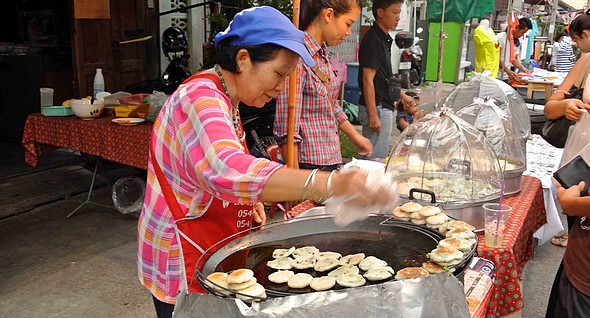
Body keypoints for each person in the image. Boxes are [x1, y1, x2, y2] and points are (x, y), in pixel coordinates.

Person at [137, 7, 397, 318]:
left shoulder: (227, 96)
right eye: (278, 74)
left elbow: (201, 167)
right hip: (178, 258)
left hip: (207, 245)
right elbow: (227, 167)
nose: (280, 87)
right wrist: (331, 182)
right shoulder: (200, 97)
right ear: (243, 59)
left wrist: (248, 201)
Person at [274, 0, 372, 172]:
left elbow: (331, 104)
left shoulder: (322, 55)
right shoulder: (297, 57)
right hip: (309, 165)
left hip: (329, 157)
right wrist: (295, 180)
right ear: (328, 15)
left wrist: (356, 137)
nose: (348, 32)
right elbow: (287, 127)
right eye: (348, 24)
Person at [545, 14, 590, 317]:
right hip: (581, 162)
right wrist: (565, 105)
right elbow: (550, 107)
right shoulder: (587, 60)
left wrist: (579, 207)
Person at [357, 0, 416, 159]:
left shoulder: (384, 38)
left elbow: (384, 76)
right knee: (374, 158)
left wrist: (402, 95)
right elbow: (367, 80)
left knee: (375, 155)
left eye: (399, 13)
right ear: (380, 13)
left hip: (382, 105)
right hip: (377, 107)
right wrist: (373, 114)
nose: (398, 17)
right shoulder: (373, 40)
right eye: (394, 12)